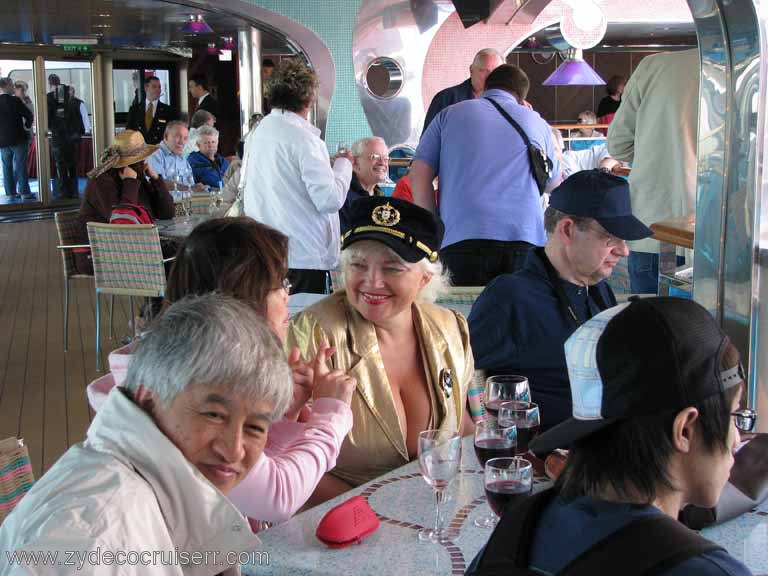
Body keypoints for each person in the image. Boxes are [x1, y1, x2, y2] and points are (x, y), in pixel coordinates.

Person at [86, 217, 356, 524]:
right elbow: (276, 497)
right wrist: (332, 414)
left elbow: (240, 478)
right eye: (280, 284)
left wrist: (281, 413)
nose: (287, 297)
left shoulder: (178, 358)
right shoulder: (191, 382)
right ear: (245, 298)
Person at [0, 294, 289, 575]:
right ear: (148, 400)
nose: (234, 449)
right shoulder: (95, 542)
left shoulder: (153, 498)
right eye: (213, 414)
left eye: (255, 427)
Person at [468, 297, 753, 576]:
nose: (737, 439)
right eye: (733, 415)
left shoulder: (517, 532)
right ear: (685, 430)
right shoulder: (708, 570)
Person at [289, 196, 481, 505]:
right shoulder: (309, 335)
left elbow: (462, 427)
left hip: (432, 513)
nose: (372, 281)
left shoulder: (452, 328)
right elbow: (282, 458)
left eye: (393, 268)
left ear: (425, 278)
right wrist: (377, 511)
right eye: (358, 264)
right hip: (336, 522)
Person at [468, 170, 652, 431]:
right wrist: (485, 430)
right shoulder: (511, 298)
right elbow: (459, 377)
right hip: (545, 453)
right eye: (611, 238)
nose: (624, 251)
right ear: (567, 230)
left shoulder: (598, 290)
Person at [411, 64, 560, 286]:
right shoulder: (537, 122)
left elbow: (418, 174)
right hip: (524, 238)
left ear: (484, 88)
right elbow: (553, 183)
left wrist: (434, 227)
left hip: (462, 237)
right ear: (521, 97)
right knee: (517, 316)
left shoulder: (449, 114)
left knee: (466, 316)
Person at [242, 58, 353, 294]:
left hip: (267, 250)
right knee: (302, 325)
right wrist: (344, 164)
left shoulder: (258, 132)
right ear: (309, 99)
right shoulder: (305, 140)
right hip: (303, 254)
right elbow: (329, 199)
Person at [608, 49, 699, 294]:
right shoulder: (750, 67)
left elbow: (618, 145)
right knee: (712, 329)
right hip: (719, 240)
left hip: (654, 230)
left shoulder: (655, 66)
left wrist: (655, 154)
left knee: (652, 325)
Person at [74, 130, 175, 275]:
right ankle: (162, 297)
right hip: (99, 254)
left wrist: (156, 180)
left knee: (183, 251)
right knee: (174, 259)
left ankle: (168, 297)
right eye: (140, 160)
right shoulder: (101, 182)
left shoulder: (138, 177)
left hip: (132, 246)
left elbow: (167, 213)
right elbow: (122, 224)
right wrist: (129, 183)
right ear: (129, 163)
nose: (144, 163)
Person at [422, 48, 504, 134]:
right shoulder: (446, 99)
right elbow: (427, 141)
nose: (490, 77)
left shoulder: (507, 103)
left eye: (496, 72)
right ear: (471, 70)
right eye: (484, 71)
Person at [339, 137, 388, 235]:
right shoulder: (342, 195)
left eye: (386, 158)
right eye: (375, 157)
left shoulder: (380, 195)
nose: (383, 163)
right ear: (355, 163)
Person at [47, 74, 83, 198]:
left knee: (60, 165)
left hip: (58, 137)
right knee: (72, 164)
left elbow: (47, 118)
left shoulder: (50, 98)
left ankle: (63, 191)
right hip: (72, 136)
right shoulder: (70, 96)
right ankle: (74, 191)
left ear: (50, 84)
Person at [0, 77, 33, 199]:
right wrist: (27, 127)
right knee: (20, 165)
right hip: (18, 138)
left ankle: (10, 193)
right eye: (11, 85)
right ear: (5, 86)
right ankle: (24, 192)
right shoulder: (15, 101)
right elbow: (28, 115)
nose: (13, 87)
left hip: (2, 141)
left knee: (6, 167)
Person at [125, 75, 173, 146]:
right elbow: (129, 132)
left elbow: (171, 133)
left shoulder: (168, 110)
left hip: (159, 152)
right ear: (146, 88)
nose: (158, 89)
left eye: (159, 87)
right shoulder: (135, 109)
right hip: (140, 151)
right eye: (154, 87)